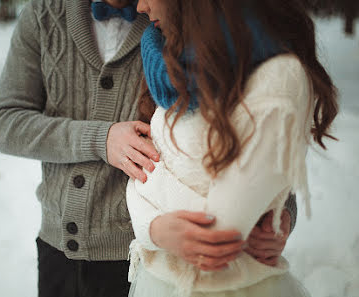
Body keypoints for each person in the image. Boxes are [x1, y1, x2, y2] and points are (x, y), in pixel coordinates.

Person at [0, 0, 301, 296]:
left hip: (151, 256)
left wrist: (280, 210)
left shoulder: (175, 16)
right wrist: (101, 139)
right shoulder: (43, 14)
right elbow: (6, 121)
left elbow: (250, 118)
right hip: (58, 251)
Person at [126, 0, 338, 296]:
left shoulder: (278, 78)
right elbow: (141, 167)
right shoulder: (173, 58)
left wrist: (144, 201)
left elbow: (218, 235)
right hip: (160, 282)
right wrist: (154, 228)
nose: (140, 6)